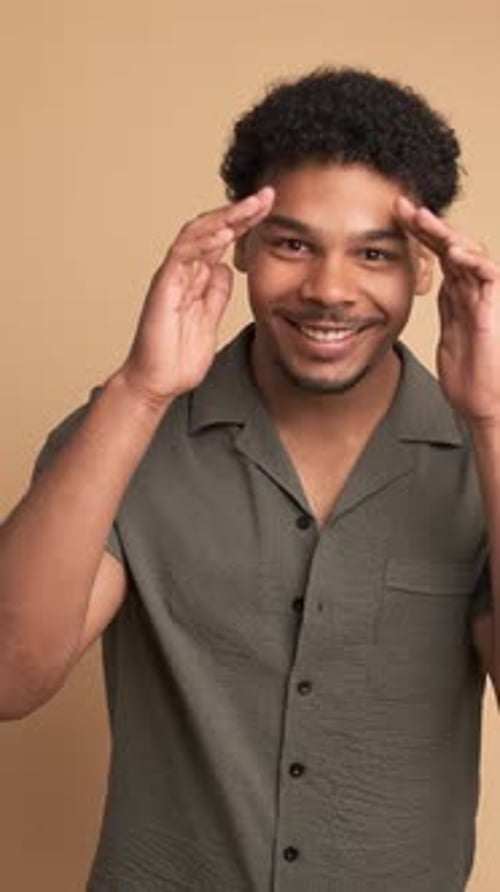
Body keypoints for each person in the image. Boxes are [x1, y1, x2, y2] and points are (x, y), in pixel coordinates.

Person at [0, 67, 498, 891]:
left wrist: (492, 421)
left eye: (374, 253)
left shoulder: (483, 453)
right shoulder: (125, 435)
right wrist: (140, 390)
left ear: (426, 266)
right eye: (293, 244)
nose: (330, 290)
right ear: (239, 245)